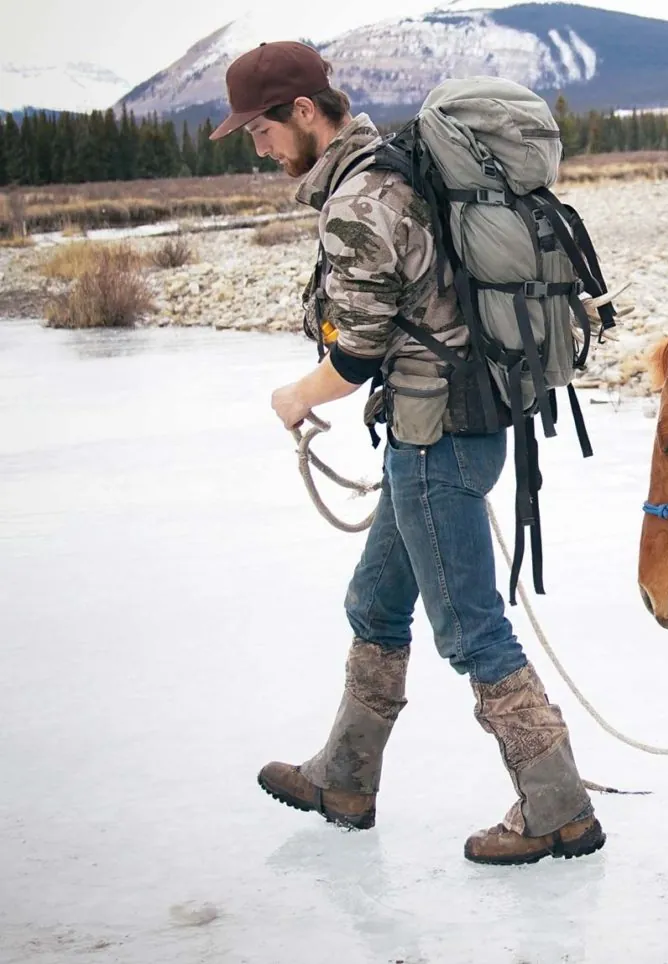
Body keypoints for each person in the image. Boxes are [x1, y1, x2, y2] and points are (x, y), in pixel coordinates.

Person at [210, 40, 604, 865]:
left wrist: (295, 397)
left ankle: (557, 806)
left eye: (262, 130)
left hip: (436, 442)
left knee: (471, 631)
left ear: (306, 114)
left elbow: (355, 353)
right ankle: (345, 775)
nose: (260, 147)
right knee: (376, 605)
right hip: (455, 429)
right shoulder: (391, 162)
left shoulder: (361, 199)